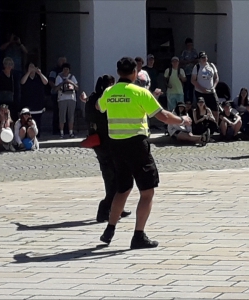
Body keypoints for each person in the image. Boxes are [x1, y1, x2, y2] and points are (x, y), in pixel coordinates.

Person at [97, 57, 194, 249]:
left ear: (118, 73)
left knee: (122, 189)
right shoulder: (140, 92)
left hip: (116, 145)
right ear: (135, 73)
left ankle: (110, 228)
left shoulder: (109, 91)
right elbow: (162, 115)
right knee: (147, 191)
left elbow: (99, 107)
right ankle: (138, 236)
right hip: (136, 145)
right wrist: (183, 120)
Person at [81, 75, 132, 222]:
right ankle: (105, 208)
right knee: (115, 178)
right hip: (107, 142)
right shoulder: (100, 100)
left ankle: (117, 207)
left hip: (101, 141)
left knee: (111, 177)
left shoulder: (92, 99)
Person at [21, 62, 48, 137]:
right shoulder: (25, 76)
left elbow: (46, 82)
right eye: (30, 67)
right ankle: (28, 135)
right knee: (28, 120)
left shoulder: (38, 77)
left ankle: (37, 135)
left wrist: (40, 73)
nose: (32, 68)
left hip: (38, 102)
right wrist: (29, 72)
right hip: (28, 101)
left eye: (33, 66)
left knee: (38, 120)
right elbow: (22, 82)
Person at [191, 52, 219, 123]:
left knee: (215, 109)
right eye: (202, 58)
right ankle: (201, 125)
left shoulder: (211, 65)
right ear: (199, 59)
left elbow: (216, 77)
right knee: (200, 110)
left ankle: (215, 125)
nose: (204, 59)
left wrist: (214, 87)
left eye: (205, 57)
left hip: (211, 92)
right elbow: (193, 80)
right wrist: (202, 89)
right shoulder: (197, 67)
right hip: (200, 92)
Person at [54, 63, 79, 138]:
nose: (65, 71)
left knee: (71, 116)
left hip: (71, 98)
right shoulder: (59, 77)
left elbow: (77, 88)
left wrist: (71, 82)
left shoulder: (72, 77)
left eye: (67, 69)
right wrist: (63, 83)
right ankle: (61, 132)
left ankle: (71, 132)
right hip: (62, 99)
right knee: (62, 116)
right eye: (64, 69)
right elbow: (55, 89)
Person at [48, 57, 67, 135]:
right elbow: (50, 81)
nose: (63, 63)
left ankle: (65, 129)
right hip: (56, 94)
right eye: (62, 61)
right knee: (56, 112)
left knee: (64, 112)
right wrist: (55, 88)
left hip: (65, 95)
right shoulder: (54, 71)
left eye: (64, 62)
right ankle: (55, 129)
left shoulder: (66, 71)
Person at [180, 38, 199, 103]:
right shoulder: (184, 52)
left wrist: (192, 61)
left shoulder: (194, 51)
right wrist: (187, 62)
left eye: (191, 45)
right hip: (186, 73)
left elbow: (197, 60)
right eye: (188, 45)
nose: (190, 46)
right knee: (186, 88)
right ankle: (185, 102)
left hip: (193, 73)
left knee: (192, 88)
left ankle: (191, 102)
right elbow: (181, 61)